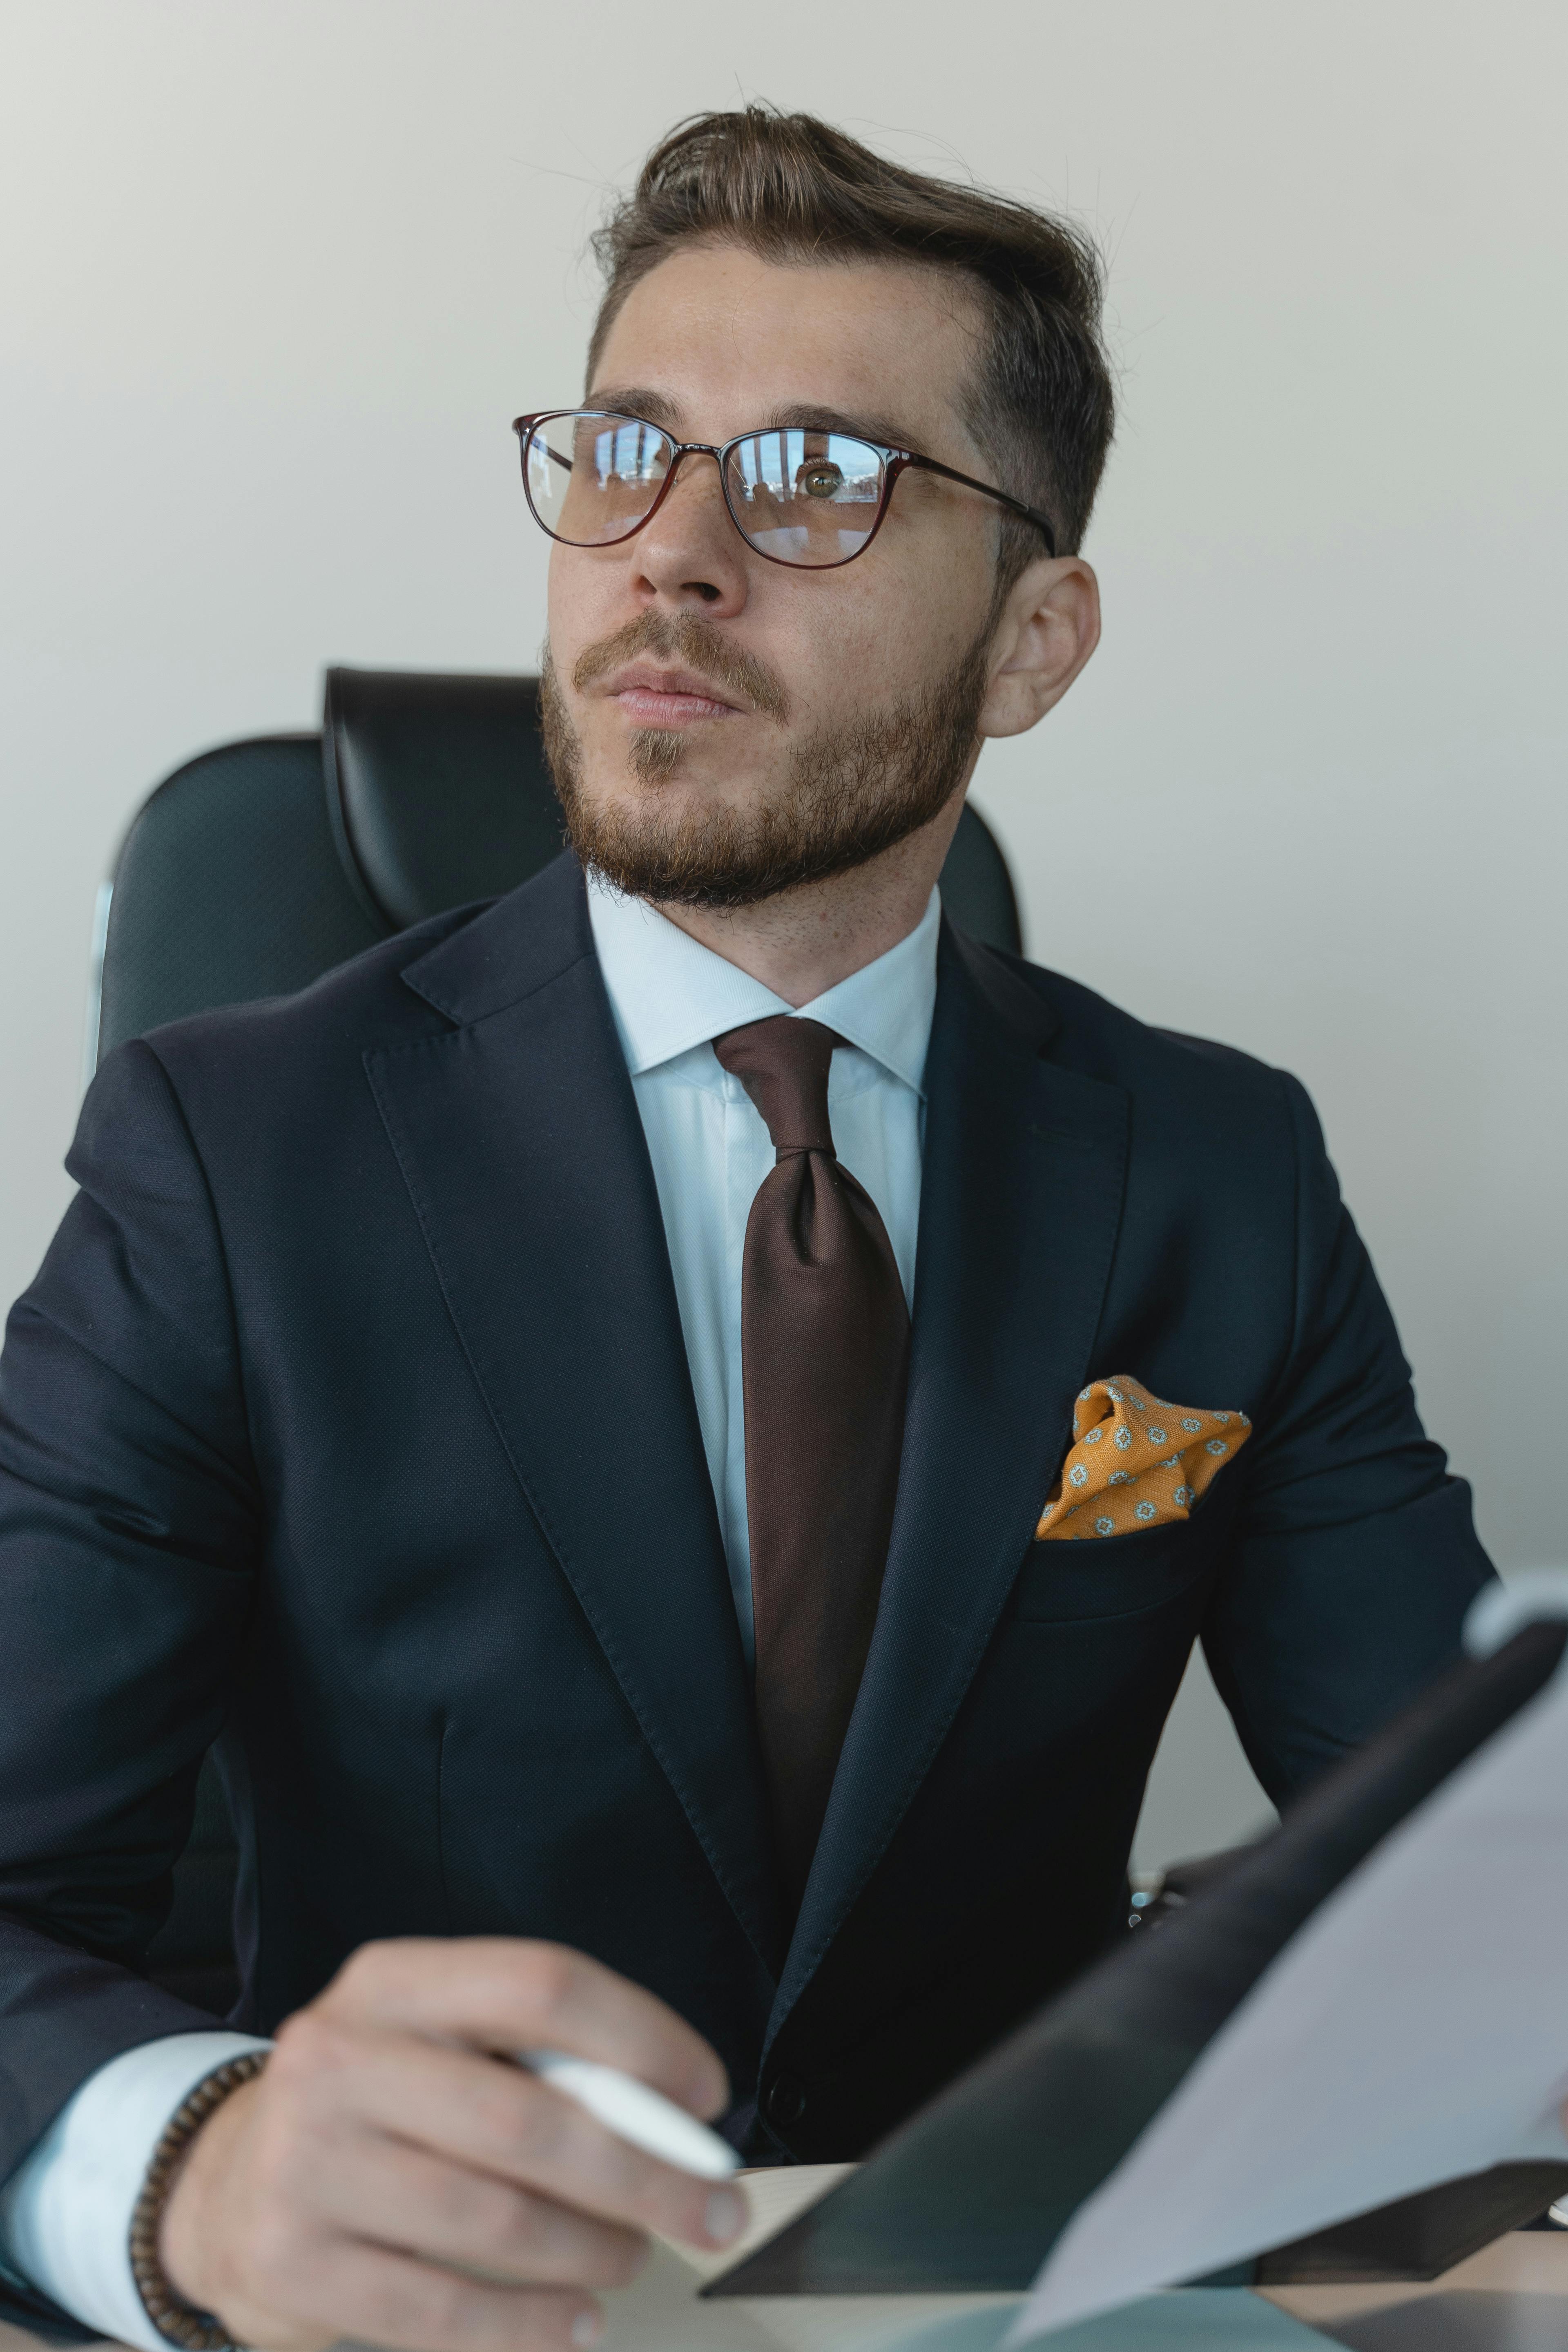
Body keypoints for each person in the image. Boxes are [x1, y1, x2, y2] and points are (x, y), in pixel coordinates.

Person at [0, 106, 1492, 2352]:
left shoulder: (1218, 1167)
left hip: (1005, 2306)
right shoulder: (227, 1148)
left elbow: (1463, 1854)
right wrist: (190, 2170)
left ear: (1034, 638)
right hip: (421, 2320)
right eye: (623, 452)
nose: (672, 554)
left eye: (817, 480)